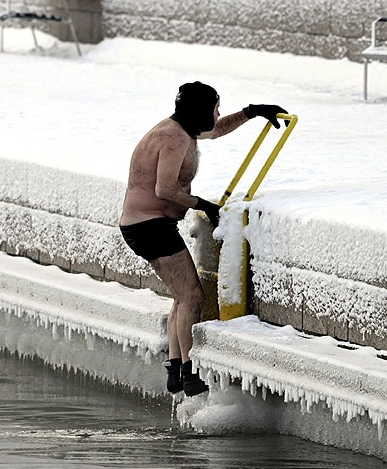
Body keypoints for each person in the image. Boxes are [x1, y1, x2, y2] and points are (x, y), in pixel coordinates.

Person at [119, 81, 285, 396]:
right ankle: (188, 371)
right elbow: (164, 190)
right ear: (199, 110)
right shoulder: (173, 138)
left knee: (182, 297)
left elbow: (217, 130)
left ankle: (174, 368)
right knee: (193, 297)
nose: (218, 113)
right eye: (215, 107)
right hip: (148, 227)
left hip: (148, 225)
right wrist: (204, 206)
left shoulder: (182, 130)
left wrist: (252, 113)